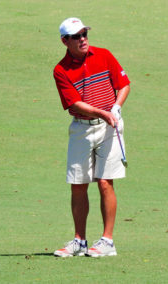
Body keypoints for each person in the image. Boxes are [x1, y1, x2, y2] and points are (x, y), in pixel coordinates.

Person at [52, 17, 130, 257]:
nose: (83, 39)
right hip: (82, 129)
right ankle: (80, 241)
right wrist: (102, 112)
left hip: (110, 127)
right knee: (78, 186)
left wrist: (116, 106)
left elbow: (124, 84)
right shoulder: (61, 70)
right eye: (76, 36)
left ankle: (107, 241)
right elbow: (74, 103)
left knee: (106, 182)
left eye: (84, 33)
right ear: (65, 41)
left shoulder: (104, 55)